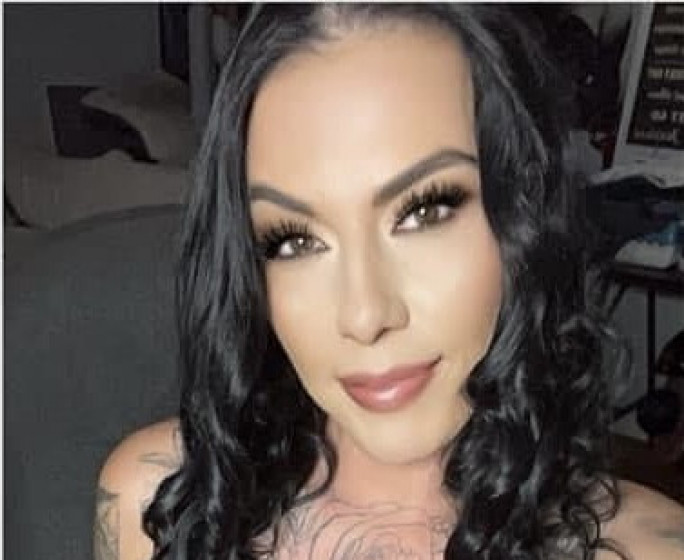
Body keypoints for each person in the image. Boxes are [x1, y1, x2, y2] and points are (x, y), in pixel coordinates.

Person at [94, 4, 684, 560]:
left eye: (425, 210)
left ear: (524, 213)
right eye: (294, 241)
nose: (365, 314)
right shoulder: (158, 506)